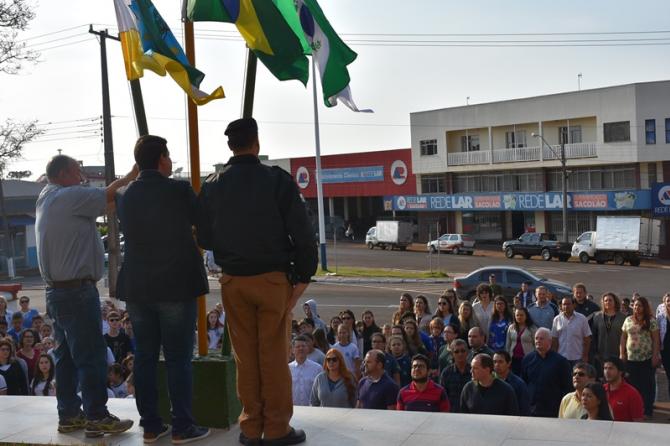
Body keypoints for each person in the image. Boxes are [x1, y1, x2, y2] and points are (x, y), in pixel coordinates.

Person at [196, 118, 317, 445]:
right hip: (272, 280)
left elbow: (204, 236)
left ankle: (250, 427)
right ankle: (276, 429)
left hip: (234, 281)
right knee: (273, 356)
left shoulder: (213, 184)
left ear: (230, 146)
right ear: (257, 143)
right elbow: (303, 233)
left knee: (245, 358)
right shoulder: (276, 180)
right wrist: (303, 276)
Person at [116, 135, 210, 443]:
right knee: (178, 358)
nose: (170, 162)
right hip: (175, 285)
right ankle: (183, 426)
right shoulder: (179, 190)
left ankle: (151, 426)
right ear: (161, 159)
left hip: (138, 287)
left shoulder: (126, 195)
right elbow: (202, 221)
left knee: (144, 357)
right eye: (168, 156)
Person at [36, 154, 136, 437]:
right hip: (76, 292)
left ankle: (69, 415)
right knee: (91, 356)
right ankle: (97, 416)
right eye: (76, 172)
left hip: (59, 292)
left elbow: (107, 204)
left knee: (67, 357)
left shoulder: (47, 197)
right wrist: (133, 176)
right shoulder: (68, 196)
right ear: (62, 174)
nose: (81, 177)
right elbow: (108, 195)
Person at [619, 296, 660, 418]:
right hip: (631, 359)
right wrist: (622, 353)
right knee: (632, 385)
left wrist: (655, 356)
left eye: (640, 305)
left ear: (645, 307)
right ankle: (633, 410)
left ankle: (647, 410)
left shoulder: (651, 321)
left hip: (646, 359)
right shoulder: (628, 320)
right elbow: (623, 338)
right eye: (635, 305)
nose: (637, 307)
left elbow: (656, 340)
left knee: (647, 385)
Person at [521, 327, 572, 417]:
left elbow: (567, 386)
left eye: (541, 338)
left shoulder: (561, 362)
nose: (538, 341)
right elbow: (524, 383)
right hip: (532, 409)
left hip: (552, 410)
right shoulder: (527, 359)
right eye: (536, 338)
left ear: (549, 341)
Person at [592, 292, 626, 374]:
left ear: (615, 302)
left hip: (617, 353)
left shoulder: (623, 317)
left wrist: (624, 353)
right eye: (606, 300)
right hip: (601, 353)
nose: (608, 302)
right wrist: (595, 352)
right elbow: (594, 335)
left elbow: (625, 337)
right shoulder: (597, 316)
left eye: (610, 300)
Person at [551, 297, 592, 366]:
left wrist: (585, 355)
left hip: (577, 357)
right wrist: (554, 355)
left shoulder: (582, 318)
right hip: (561, 356)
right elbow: (554, 339)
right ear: (561, 306)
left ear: (574, 305)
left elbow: (587, 339)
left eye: (568, 304)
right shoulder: (557, 319)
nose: (566, 306)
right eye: (564, 304)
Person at [602, 357, 644, 422]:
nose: (607, 372)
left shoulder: (632, 393)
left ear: (620, 372)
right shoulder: (601, 389)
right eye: (605, 368)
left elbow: (638, 421)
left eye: (611, 368)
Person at [493, 350, 530, 416]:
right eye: (494, 362)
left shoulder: (519, 384)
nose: (497, 365)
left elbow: (524, 409)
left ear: (509, 363)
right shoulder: (489, 381)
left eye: (500, 362)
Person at [289, 336, 322, 407]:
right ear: (293, 350)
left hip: (312, 410)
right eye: (298, 346)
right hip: (293, 409)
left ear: (307, 349)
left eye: (303, 346)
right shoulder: (288, 369)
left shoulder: (317, 368)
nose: (301, 348)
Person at [439, 339, 471, 412]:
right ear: (452, 354)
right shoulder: (446, 373)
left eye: (463, 351)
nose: (460, 354)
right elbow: (443, 396)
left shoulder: (473, 371)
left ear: (467, 352)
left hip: (471, 412)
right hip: (452, 412)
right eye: (456, 351)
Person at [505, 307, 536, 376]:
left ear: (526, 316)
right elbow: (508, 344)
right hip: (513, 359)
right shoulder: (511, 327)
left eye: (521, 315)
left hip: (528, 358)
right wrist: (507, 357)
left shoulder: (532, 328)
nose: (519, 317)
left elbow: (536, 344)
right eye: (517, 315)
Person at [658, 292, 670, 399]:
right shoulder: (661, 317)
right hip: (665, 351)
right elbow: (657, 334)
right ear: (664, 303)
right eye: (668, 301)